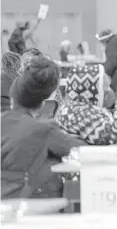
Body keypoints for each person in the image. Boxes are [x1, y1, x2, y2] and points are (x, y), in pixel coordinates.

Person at [1, 57, 87, 199]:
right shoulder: (45, 132)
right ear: (44, 102)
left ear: (13, 96)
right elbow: (87, 153)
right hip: (25, 208)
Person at [56, 64, 117, 145]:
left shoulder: (81, 108)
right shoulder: (77, 113)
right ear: (93, 91)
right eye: (106, 87)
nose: (110, 90)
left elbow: (110, 130)